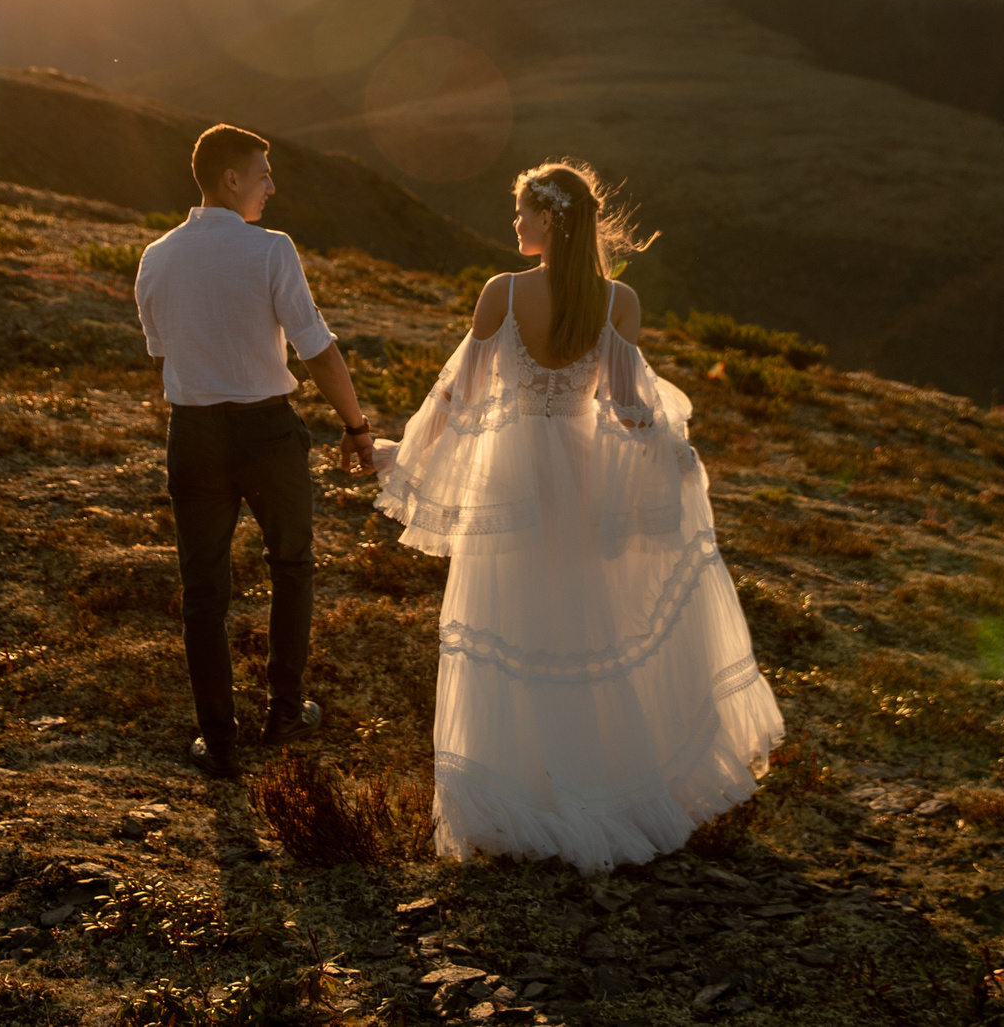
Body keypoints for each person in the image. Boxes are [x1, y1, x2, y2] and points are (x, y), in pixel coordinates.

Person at [368, 160, 785, 869]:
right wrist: (671, 462)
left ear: (550, 220)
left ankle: (519, 794)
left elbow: (455, 399)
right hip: (585, 483)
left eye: (523, 213)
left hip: (511, 485)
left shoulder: (501, 293)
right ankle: (602, 786)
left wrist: (403, 454)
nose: (516, 224)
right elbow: (627, 410)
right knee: (587, 632)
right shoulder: (618, 301)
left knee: (510, 629)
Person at [135, 124, 380, 779]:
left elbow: (162, 352)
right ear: (231, 178)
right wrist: (357, 427)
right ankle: (285, 709)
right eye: (263, 173)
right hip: (266, 433)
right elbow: (317, 349)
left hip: (193, 435)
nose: (272, 185)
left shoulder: (155, 257)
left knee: (203, 592)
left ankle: (218, 740)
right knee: (292, 565)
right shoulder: (271, 250)